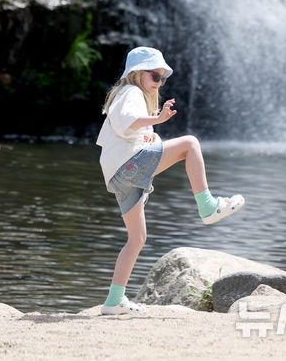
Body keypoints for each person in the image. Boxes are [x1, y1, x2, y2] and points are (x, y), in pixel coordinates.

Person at [96, 45, 244, 315]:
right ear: (138, 74)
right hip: (128, 166)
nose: (159, 83)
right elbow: (127, 122)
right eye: (155, 76)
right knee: (190, 144)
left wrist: (152, 132)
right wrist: (158, 118)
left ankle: (113, 300)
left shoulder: (129, 96)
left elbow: (128, 130)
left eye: (162, 78)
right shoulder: (131, 92)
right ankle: (208, 206)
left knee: (137, 238)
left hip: (118, 175)